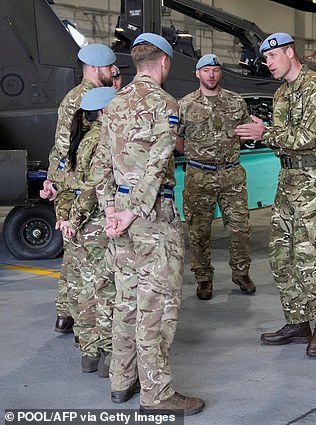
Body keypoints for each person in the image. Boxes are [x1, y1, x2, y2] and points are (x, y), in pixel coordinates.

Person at [96, 33, 204, 414]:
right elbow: (160, 160)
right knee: (156, 305)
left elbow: (101, 165)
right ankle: (156, 395)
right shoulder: (165, 103)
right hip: (151, 214)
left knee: (126, 300)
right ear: (164, 63)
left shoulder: (114, 103)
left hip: (121, 213)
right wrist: (134, 209)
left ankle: (121, 380)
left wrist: (111, 208)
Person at [235, 32, 316, 357]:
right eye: (265, 59)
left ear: (289, 52)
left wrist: (265, 132)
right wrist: (264, 131)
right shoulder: (280, 94)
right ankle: (298, 321)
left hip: (311, 177)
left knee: (306, 253)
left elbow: (310, 136)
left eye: (272, 57)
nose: (268, 64)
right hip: (288, 176)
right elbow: (282, 139)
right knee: (280, 254)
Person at [40, 43, 116, 334]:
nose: (113, 73)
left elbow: (60, 147)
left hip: (71, 185)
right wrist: (60, 185)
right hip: (82, 186)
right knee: (83, 260)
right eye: (110, 68)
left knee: (74, 255)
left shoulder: (73, 96)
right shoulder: (88, 100)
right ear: (96, 69)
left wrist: (52, 180)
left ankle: (66, 314)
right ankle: (82, 321)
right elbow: (70, 148)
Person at [177, 53, 256, 300]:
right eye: (206, 70)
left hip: (231, 174)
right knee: (199, 230)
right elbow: (176, 137)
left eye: (215, 70)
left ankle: (241, 273)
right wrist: (193, 154)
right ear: (197, 74)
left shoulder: (236, 102)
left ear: (220, 73)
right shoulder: (185, 105)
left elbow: (246, 131)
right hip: (199, 176)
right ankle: (203, 278)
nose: (211, 75)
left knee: (240, 228)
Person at [57, 87, 117, 376]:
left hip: (81, 229)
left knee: (84, 289)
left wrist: (66, 218)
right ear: (106, 111)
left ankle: (89, 354)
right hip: (97, 225)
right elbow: (93, 188)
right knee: (105, 290)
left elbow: (67, 184)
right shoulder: (104, 140)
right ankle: (106, 353)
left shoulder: (80, 139)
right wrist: (77, 219)